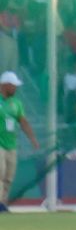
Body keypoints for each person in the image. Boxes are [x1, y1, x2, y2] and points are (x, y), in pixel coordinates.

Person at [0, 72, 39, 212]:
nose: (16, 88)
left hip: (11, 144)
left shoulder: (17, 103)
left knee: (9, 177)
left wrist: (32, 138)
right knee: (0, 172)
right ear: (5, 85)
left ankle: (3, 203)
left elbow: (23, 122)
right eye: (14, 86)